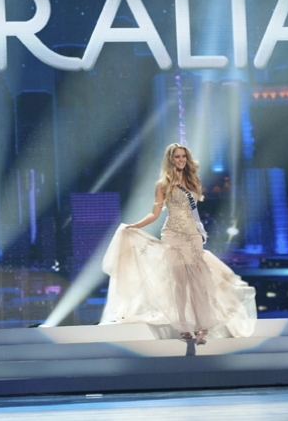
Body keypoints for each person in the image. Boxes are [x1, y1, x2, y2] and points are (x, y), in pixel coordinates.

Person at [100, 143, 256, 345]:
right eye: (177, 157)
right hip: (172, 235)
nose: (181, 160)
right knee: (179, 284)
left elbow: (194, 212)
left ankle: (202, 329)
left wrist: (200, 232)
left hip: (192, 237)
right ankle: (183, 326)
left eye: (183, 156)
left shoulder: (192, 181)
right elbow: (155, 214)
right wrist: (135, 226)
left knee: (198, 284)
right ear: (170, 160)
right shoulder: (162, 185)